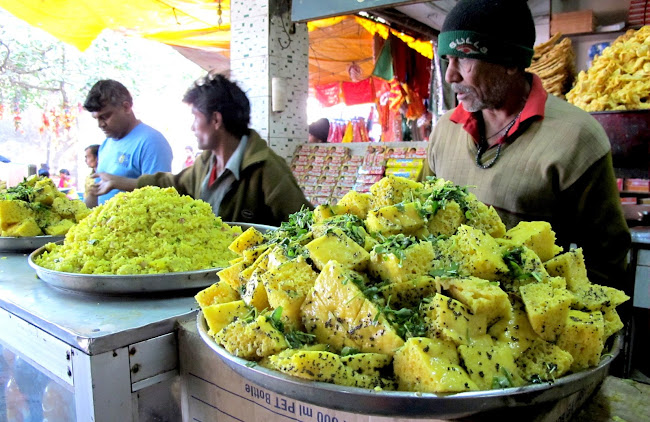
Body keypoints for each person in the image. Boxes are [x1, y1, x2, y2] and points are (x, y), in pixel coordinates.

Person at [425, 0, 630, 288]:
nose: (450, 75)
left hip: (530, 326)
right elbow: (421, 223)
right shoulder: (444, 131)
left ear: (510, 61)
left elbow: (605, 261)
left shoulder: (578, 139)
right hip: (445, 320)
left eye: (465, 58)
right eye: (448, 59)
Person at [90, 73, 312, 226]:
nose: (192, 127)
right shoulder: (206, 163)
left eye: (195, 118)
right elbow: (172, 184)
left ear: (215, 120)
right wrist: (119, 182)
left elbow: (306, 224)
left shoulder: (266, 169)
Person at [83, 79, 173, 207]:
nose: (100, 125)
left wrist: (120, 182)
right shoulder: (106, 144)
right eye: (96, 119)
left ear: (126, 107)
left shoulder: (151, 142)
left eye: (105, 116)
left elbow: (162, 192)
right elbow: (97, 194)